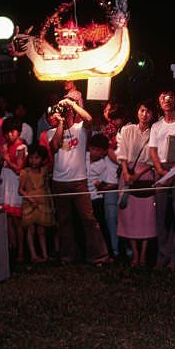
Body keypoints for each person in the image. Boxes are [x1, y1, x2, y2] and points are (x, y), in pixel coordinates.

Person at [48, 96, 111, 265]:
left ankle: (98, 256)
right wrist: (60, 122)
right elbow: (54, 146)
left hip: (79, 181)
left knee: (88, 219)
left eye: (67, 110)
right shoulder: (51, 131)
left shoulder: (80, 128)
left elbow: (89, 119)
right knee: (64, 221)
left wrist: (73, 104)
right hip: (59, 181)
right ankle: (68, 256)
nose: (65, 112)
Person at [150, 89, 175, 270]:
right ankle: (164, 255)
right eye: (162, 98)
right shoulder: (156, 126)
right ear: (159, 102)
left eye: (169, 97)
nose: (166, 101)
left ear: (174, 100)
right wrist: (159, 170)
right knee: (162, 214)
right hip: (161, 170)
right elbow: (153, 149)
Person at [117, 101, 157, 267]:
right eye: (142, 110)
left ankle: (143, 255)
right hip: (128, 174)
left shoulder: (155, 132)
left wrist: (139, 173)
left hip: (146, 174)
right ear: (137, 112)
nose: (144, 114)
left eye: (148, 111)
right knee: (130, 216)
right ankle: (134, 253)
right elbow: (122, 152)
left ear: (152, 114)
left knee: (147, 217)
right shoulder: (128, 130)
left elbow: (155, 156)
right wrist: (127, 173)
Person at [18, 145, 54, 263]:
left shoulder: (43, 171)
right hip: (30, 204)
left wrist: (51, 203)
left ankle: (44, 254)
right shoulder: (25, 172)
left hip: (42, 203)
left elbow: (47, 187)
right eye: (31, 158)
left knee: (41, 230)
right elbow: (20, 190)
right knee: (31, 229)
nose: (33, 161)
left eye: (37, 158)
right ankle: (33, 255)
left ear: (42, 159)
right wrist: (31, 200)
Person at [87, 133, 121, 258]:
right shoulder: (83, 157)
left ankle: (109, 252)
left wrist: (101, 186)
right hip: (83, 198)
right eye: (93, 149)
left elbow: (104, 183)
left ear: (103, 152)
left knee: (101, 225)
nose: (95, 153)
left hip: (96, 198)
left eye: (99, 150)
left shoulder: (103, 164)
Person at [0, 117, 28, 261]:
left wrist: (7, 159)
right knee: (8, 219)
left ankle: (21, 252)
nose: (9, 135)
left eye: (12, 132)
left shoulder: (21, 147)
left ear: (18, 131)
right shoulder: (5, 146)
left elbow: (18, 168)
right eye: (6, 133)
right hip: (6, 185)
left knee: (17, 220)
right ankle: (12, 248)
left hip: (15, 184)